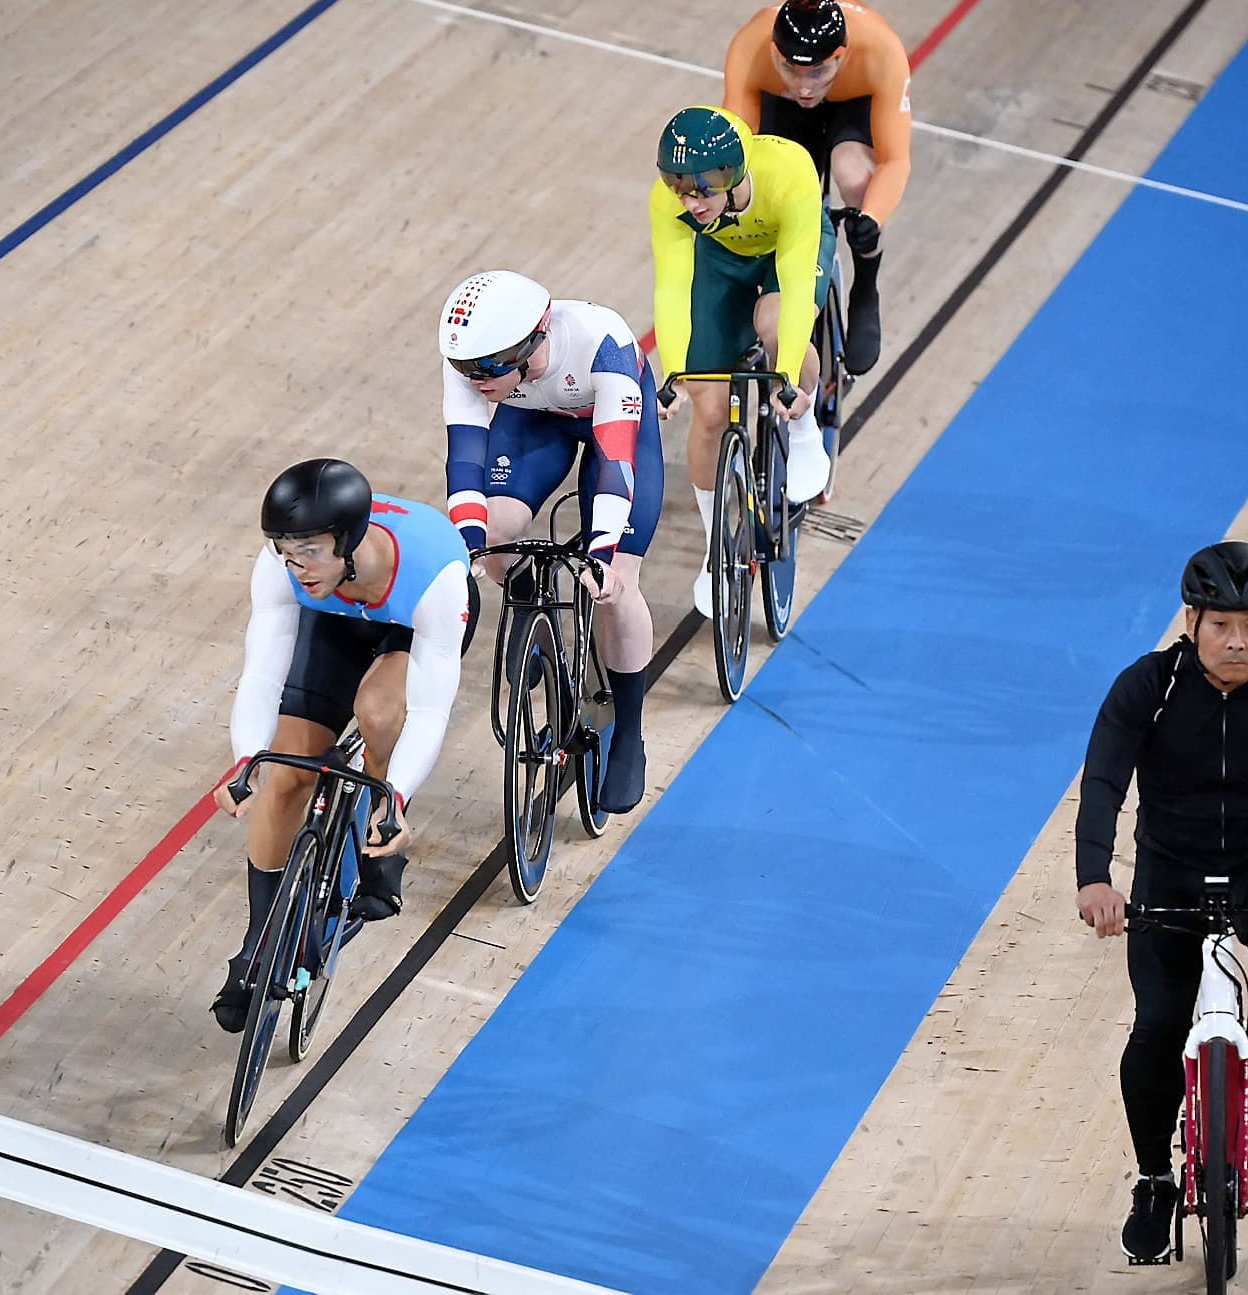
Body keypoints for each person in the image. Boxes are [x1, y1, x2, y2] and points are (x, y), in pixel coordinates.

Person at [1074, 541, 1248, 1262]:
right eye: (1222, 626)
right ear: (1192, 621)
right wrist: (1095, 879)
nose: (1238, 642)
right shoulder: (1148, 686)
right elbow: (1105, 779)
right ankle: (1152, 1180)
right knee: (1157, 1024)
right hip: (1171, 866)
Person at [209, 458, 471, 1033]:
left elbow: (430, 707)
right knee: (284, 778)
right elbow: (262, 674)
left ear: (348, 541)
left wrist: (395, 794)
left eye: (309, 551)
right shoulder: (288, 570)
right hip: (333, 623)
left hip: (406, 626)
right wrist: (246, 758)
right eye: (283, 549)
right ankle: (260, 940)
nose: (294, 564)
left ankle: (379, 824)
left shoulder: (435, 576)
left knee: (378, 711)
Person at [438, 270, 661, 812]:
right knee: (493, 531)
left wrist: (603, 553)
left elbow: (616, 467)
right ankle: (531, 611)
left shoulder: (602, 344)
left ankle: (628, 731)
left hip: (615, 428)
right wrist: (471, 548)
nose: (473, 381)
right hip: (535, 421)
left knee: (617, 584)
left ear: (532, 342)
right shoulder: (476, 364)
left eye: (485, 370)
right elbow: (465, 460)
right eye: (465, 370)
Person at [651, 104, 834, 616]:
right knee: (709, 409)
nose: (689, 200)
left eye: (701, 189)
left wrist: (788, 373)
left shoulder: (789, 172)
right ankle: (716, 548)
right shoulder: (673, 205)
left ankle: (804, 431)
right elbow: (672, 288)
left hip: (789, 249)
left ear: (732, 175)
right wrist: (674, 372)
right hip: (721, 262)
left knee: (775, 322)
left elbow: (796, 284)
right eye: (677, 186)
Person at [723, 0, 914, 374]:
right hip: (779, 103)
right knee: (765, 178)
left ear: (841, 56)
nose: (805, 86)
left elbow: (895, 160)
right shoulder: (750, 46)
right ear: (775, 54)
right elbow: (737, 149)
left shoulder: (882, 51)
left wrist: (871, 218)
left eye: (818, 72)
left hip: (853, 99)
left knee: (852, 172)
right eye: (792, 68)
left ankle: (865, 283)